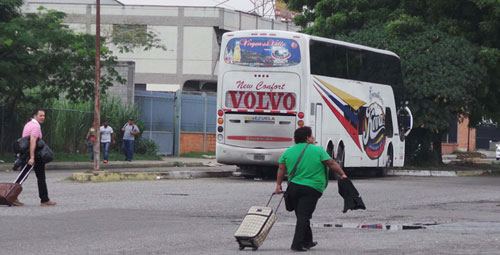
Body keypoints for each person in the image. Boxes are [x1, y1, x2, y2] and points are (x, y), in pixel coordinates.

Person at [274, 126, 347, 251]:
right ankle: (297, 244)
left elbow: (281, 168)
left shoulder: (288, 151)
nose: (313, 138)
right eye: (311, 135)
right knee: (304, 216)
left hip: (293, 187)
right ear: (307, 138)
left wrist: (278, 185)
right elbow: (331, 163)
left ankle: (307, 241)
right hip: (311, 188)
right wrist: (342, 174)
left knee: (301, 214)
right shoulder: (318, 150)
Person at [13, 109, 56, 207]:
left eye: (44, 116)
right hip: (34, 154)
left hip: (30, 154)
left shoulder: (28, 124)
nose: (43, 117)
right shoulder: (35, 126)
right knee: (24, 176)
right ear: (35, 116)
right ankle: (11, 195)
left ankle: (45, 199)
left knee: (38, 177)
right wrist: (32, 157)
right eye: (40, 115)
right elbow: (33, 141)